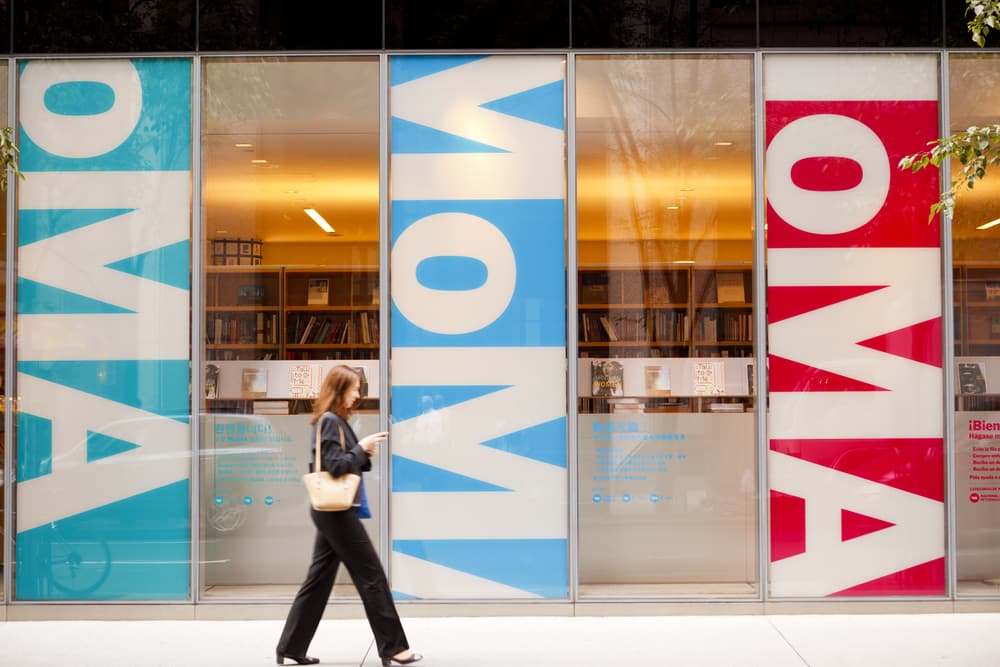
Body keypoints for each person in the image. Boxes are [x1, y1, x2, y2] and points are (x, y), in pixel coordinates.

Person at [276, 365, 423, 667]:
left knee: (317, 581)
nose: (358, 393)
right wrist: (361, 447)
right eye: (354, 388)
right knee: (372, 577)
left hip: (330, 512)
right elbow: (334, 465)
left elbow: (346, 461)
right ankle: (394, 648)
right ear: (340, 389)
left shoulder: (333, 420)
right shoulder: (331, 421)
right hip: (338, 513)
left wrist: (362, 451)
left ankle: (290, 646)